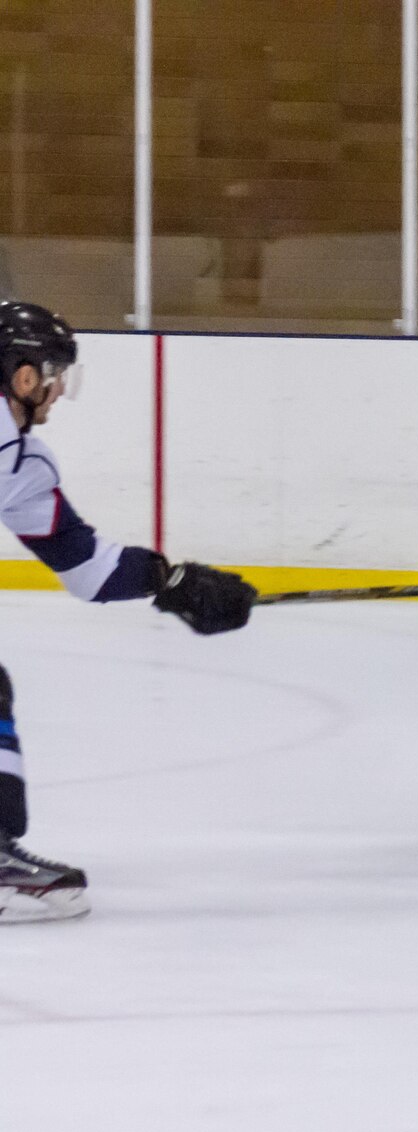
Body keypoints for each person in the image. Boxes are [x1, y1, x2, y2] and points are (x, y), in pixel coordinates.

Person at [0, 301, 258, 923]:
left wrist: (170, 581)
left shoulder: (18, 462)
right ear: (25, 375)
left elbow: (85, 564)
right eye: (53, 375)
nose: (56, 392)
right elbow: (86, 566)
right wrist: (175, 583)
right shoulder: (13, 452)